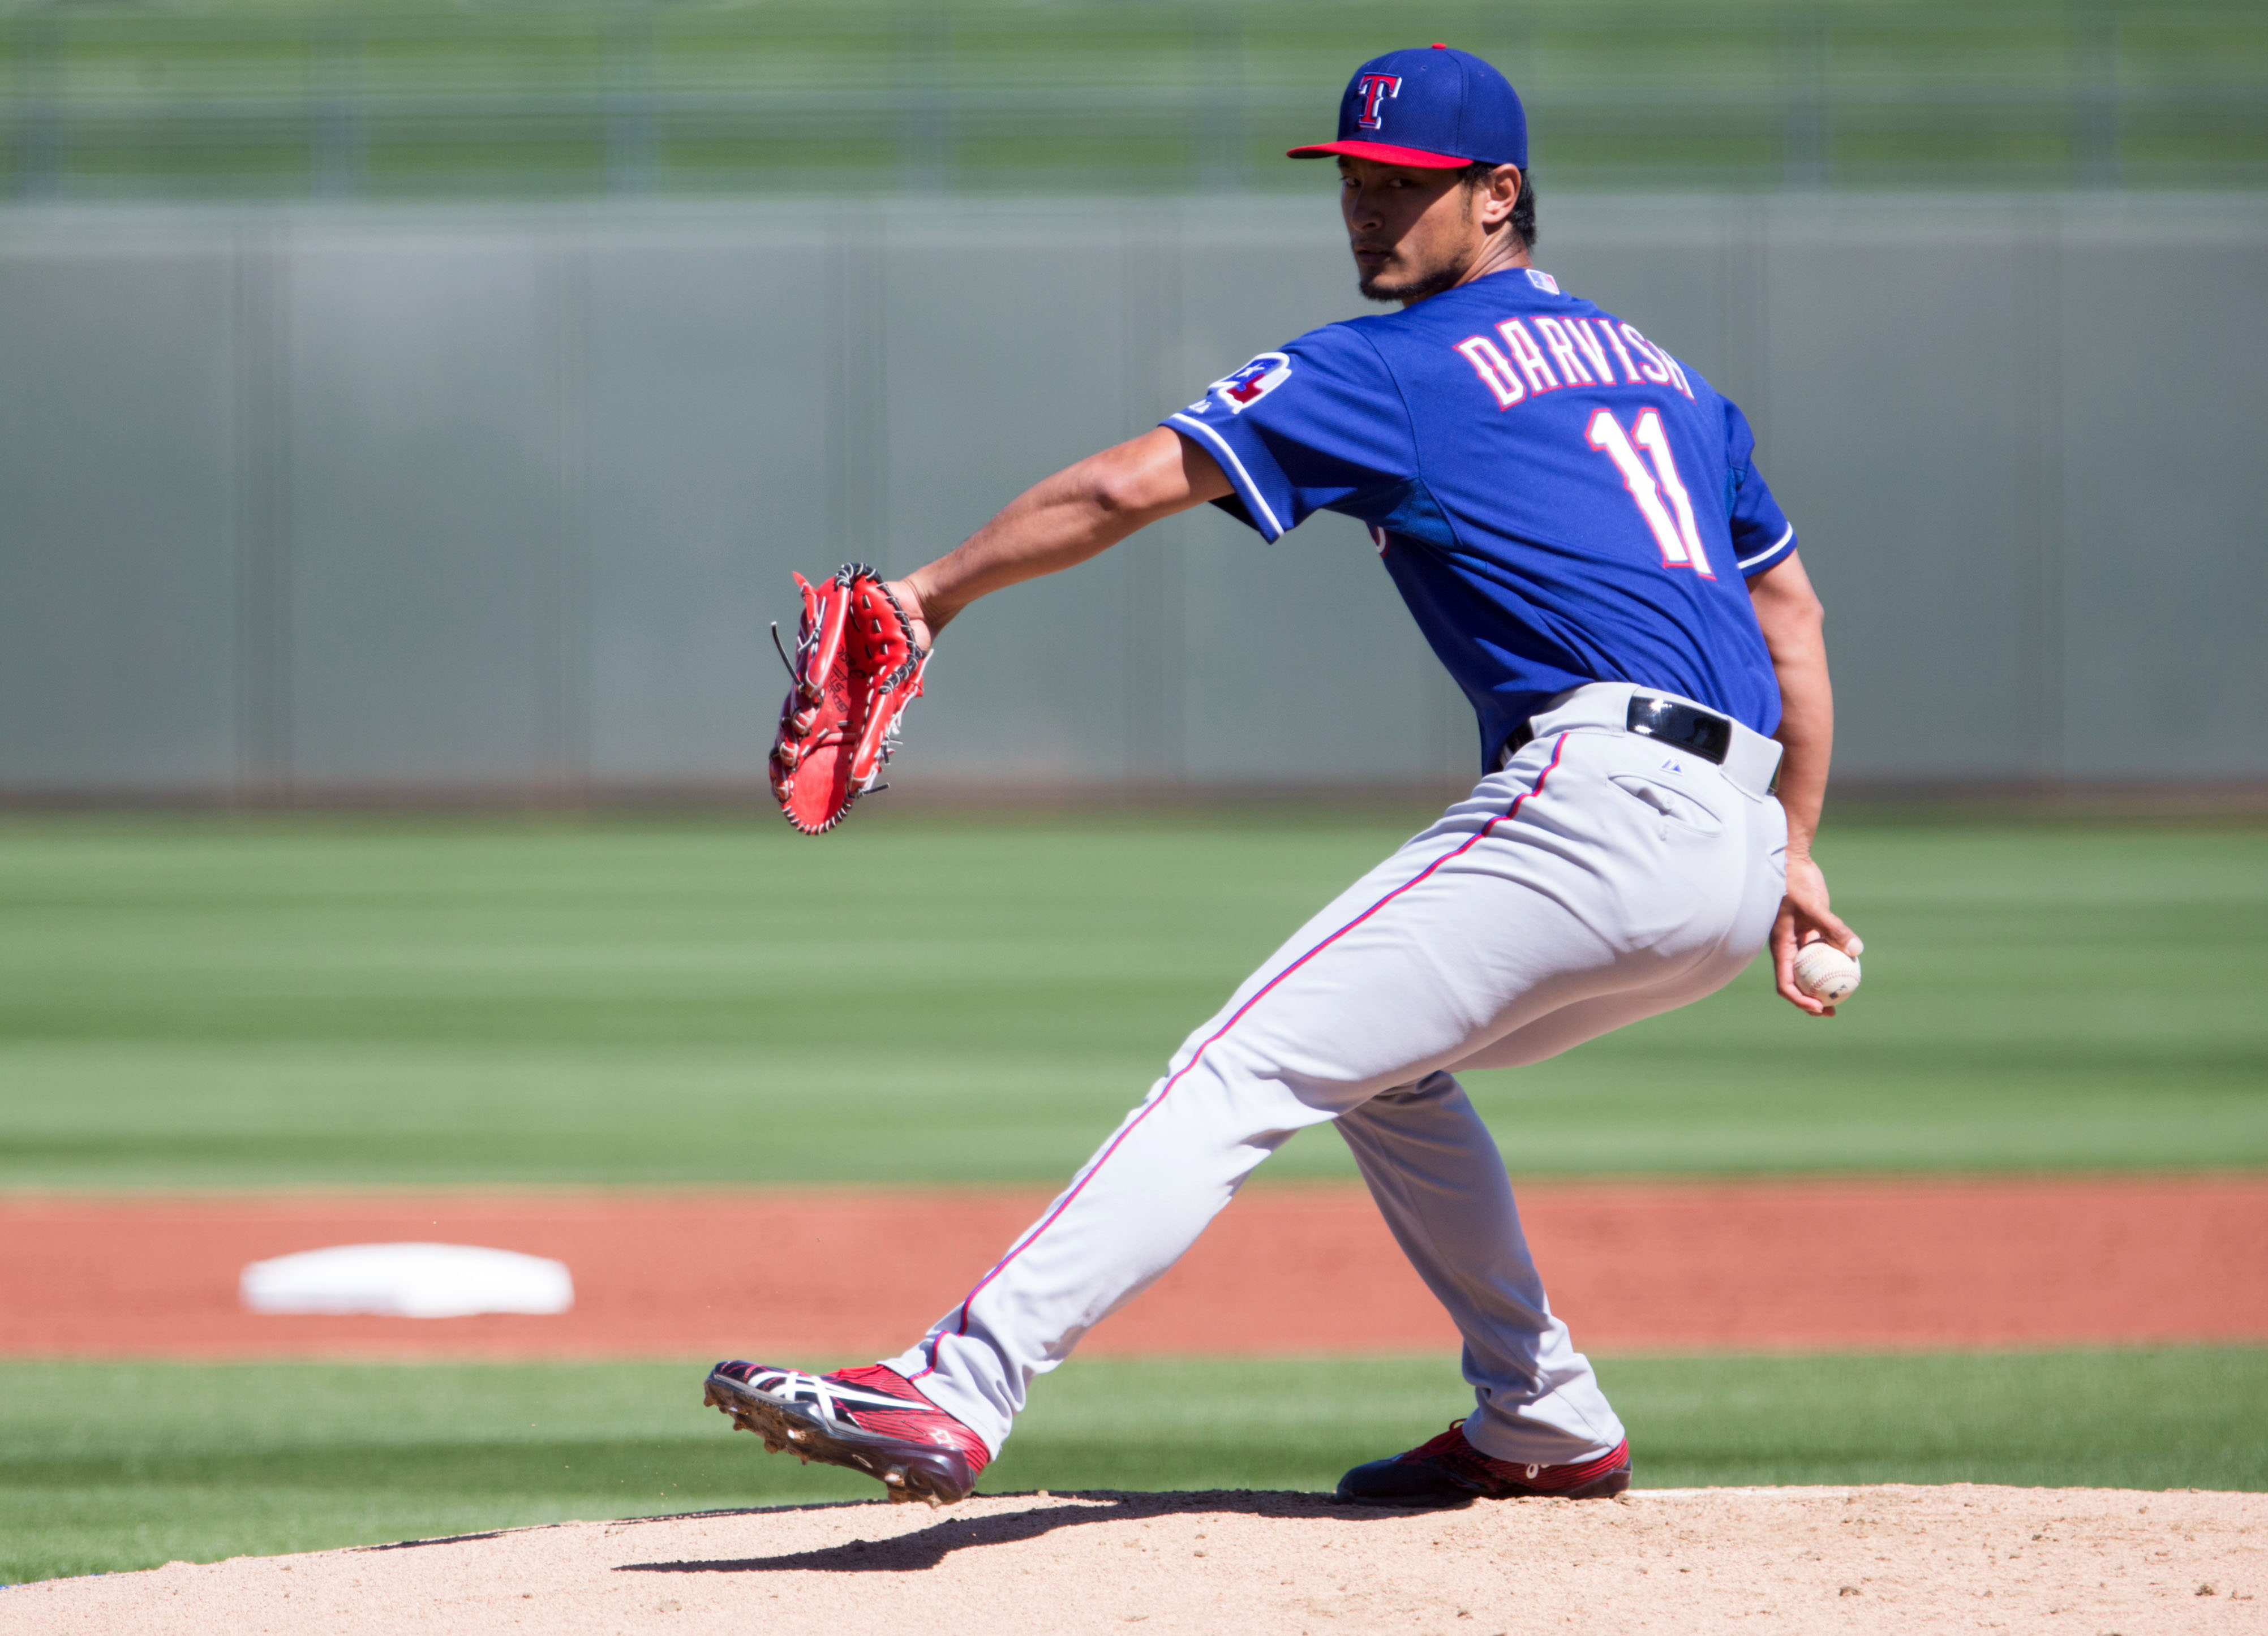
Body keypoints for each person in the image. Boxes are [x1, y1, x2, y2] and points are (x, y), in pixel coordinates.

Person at [705, 43, 1861, 1510]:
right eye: (1355, 180)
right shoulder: (1675, 378)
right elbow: (1794, 619)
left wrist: (927, 596)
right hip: (1732, 840)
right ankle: (1542, 1414)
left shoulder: (1393, 367)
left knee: (1243, 1061)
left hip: (1598, 803)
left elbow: (1129, 484)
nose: (1370, 209)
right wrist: (1797, 847)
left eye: (1408, 186)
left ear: (1500, 196)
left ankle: (959, 1382)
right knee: (1385, 1064)